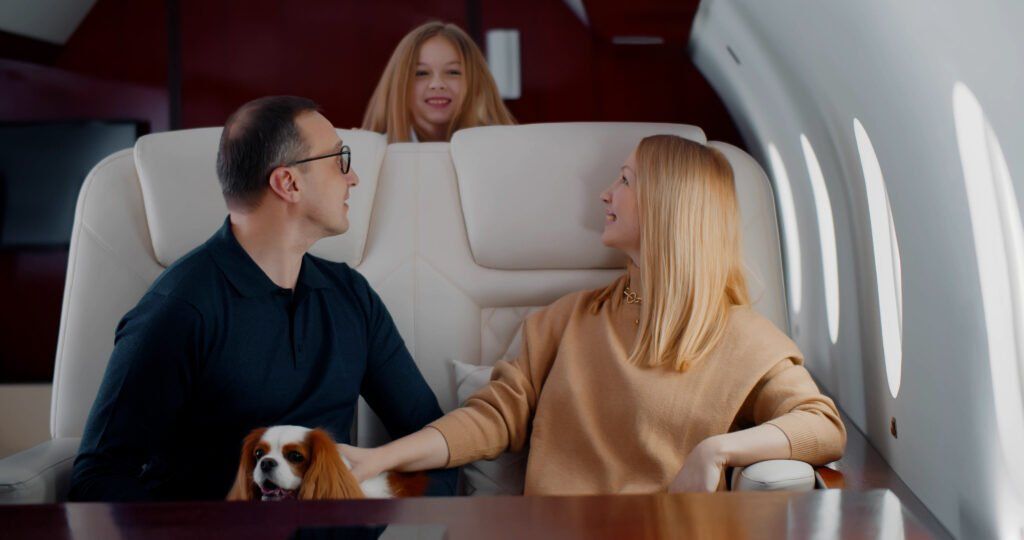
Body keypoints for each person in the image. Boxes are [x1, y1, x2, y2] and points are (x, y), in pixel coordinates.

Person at [339, 135, 847, 494]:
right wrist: (379, 459)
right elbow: (491, 419)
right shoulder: (568, 320)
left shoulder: (745, 339)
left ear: (669, 205)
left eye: (624, 180)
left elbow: (822, 426)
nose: (605, 194)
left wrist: (715, 451)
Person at [68, 96, 456, 501]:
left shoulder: (352, 297)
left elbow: (430, 436)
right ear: (288, 183)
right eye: (339, 159)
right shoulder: (177, 311)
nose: (353, 177)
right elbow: (98, 478)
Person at [362, 21, 515, 143]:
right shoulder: (370, 155)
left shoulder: (502, 148)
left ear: (477, 84)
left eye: (453, 72)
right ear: (398, 85)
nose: (437, 84)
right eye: (421, 73)